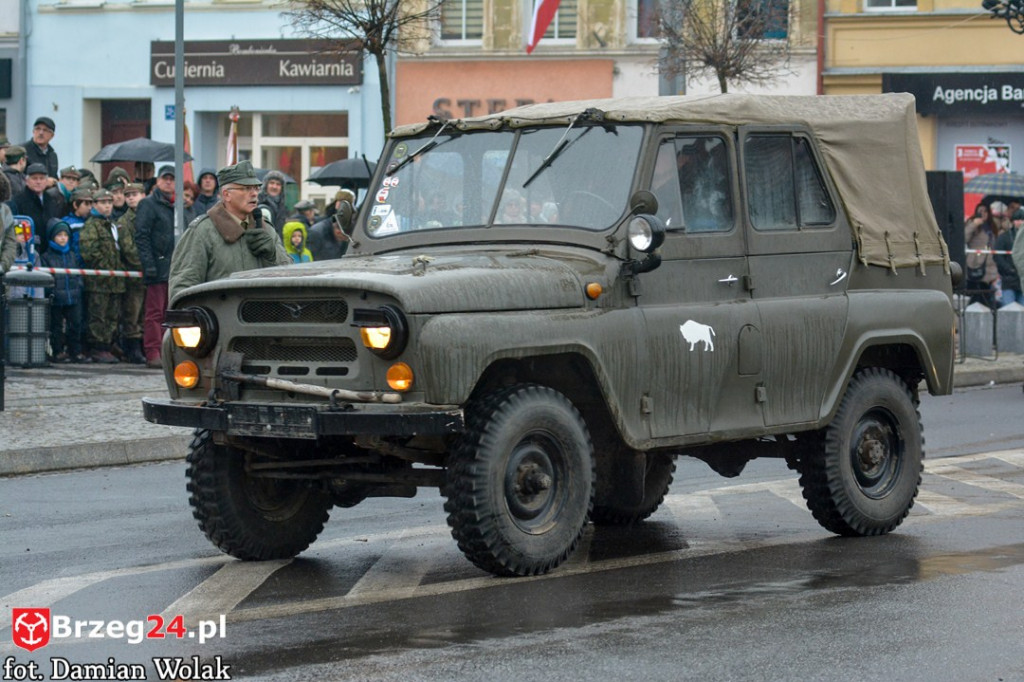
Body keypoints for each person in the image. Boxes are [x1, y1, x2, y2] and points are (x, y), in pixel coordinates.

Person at [168, 160, 289, 301]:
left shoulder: (265, 228)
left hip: (261, 320)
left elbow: (289, 277)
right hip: (218, 319)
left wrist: (272, 257)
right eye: (246, 188)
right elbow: (182, 289)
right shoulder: (202, 231)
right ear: (226, 195)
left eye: (256, 188)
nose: (254, 194)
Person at [134, 165, 176, 368]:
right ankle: (153, 352)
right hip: (157, 267)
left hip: (175, 268)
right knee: (155, 313)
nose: (168, 182)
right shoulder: (148, 205)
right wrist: (149, 264)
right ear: (158, 181)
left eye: (172, 179)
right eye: (165, 178)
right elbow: (141, 236)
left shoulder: (178, 206)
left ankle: (168, 350)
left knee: (171, 313)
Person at [79, 189, 126, 363]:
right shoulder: (92, 225)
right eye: (103, 203)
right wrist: (106, 268)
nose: (107, 206)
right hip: (99, 281)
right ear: (95, 205)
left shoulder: (112, 224)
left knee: (112, 315)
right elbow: (90, 253)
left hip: (114, 280)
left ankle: (108, 344)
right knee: (98, 315)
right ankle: (98, 347)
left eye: (109, 202)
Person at [41, 219, 89, 363]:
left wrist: (79, 286)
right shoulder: (46, 257)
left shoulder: (72, 255)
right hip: (56, 298)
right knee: (56, 327)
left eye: (65, 235)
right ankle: (58, 351)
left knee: (75, 325)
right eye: (59, 235)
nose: (63, 238)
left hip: (73, 296)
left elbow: (78, 274)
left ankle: (75, 351)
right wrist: (52, 291)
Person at [115, 183, 147, 364]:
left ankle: (142, 346)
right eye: (128, 195)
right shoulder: (124, 221)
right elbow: (128, 249)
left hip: (148, 273)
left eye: (135, 194)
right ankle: (132, 349)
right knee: (132, 313)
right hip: (134, 272)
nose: (131, 198)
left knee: (144, 313)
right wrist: (144, 263)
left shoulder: (147, 215)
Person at [9, 163, 62, 254]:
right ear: (27, 181)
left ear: (46, 181)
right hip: (27, 250)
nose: (38, 182)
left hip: (48, 252)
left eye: (41, 178)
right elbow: (16, 222)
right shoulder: (18, 201)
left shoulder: (51, 200)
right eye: (34, 178)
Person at [965, 202, 999, 309]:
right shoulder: (972, 223)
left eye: (985, 211)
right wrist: (974, 224)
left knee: (987, 295)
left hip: (989, 263)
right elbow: (964, 237)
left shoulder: (991, 225)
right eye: (980, 211)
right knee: (975, 295)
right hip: (975, 263)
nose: (983, 213)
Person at [994, 206, 1024, 307]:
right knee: (1008, 309)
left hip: (1021, 279)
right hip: (1009, 280)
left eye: (1022, 219)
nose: (1019, 222)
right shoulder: (1004, 237)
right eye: (1017, 219)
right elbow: (998, 256)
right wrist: (1009, 269)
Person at [22, 116, 59, 184]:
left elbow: (54, 176)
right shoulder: (23, 151)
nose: (41, 133)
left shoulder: (52, 155)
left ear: (52, 135)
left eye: (45, 130)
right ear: (33, 131)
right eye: (38, 129)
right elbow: (15, 176)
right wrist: (44, 181)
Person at [256, 170, 288, 235]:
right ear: (266, 185)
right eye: (272, 183)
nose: (274, 187)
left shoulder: (282, 207)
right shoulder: (258, 203)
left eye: (278, 184)